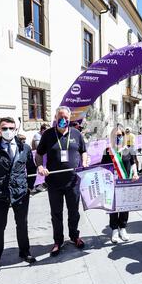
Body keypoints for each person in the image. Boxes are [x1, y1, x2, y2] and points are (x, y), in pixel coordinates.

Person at [0, 117, 37, 277]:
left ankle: (25, 252)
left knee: (22, 225)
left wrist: (30, 187)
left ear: (16, 129)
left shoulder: (24, 148)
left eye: (11, 128)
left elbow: (31, 169)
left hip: (20, 194)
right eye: (4, 128)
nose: (8, 131)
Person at [36, 106, 89, 256]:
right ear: (55, 117)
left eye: (66, 118)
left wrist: (84, 161)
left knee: (74, 212)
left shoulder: (77, 134)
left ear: (70, 118)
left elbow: (83, 151)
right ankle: (58, 241)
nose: (63, 120)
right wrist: (40, 166)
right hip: (54, 183)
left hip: (73, 182)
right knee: (56, 214)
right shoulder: (47, 135)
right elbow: (39, 154)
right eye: (60, 117)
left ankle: (74, 236)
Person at [101, 125, 139, 243]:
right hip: (112, 183)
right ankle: (114, 230)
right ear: (112, 136)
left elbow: (133, 163)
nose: (119, 137)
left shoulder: (129, 149)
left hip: (125, 182)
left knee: (124, 206)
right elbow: (103, 167)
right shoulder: (108, 151)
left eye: (121, 135)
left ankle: (122, 228)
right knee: (113, 207)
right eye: (116, 135)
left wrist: (135, 174)